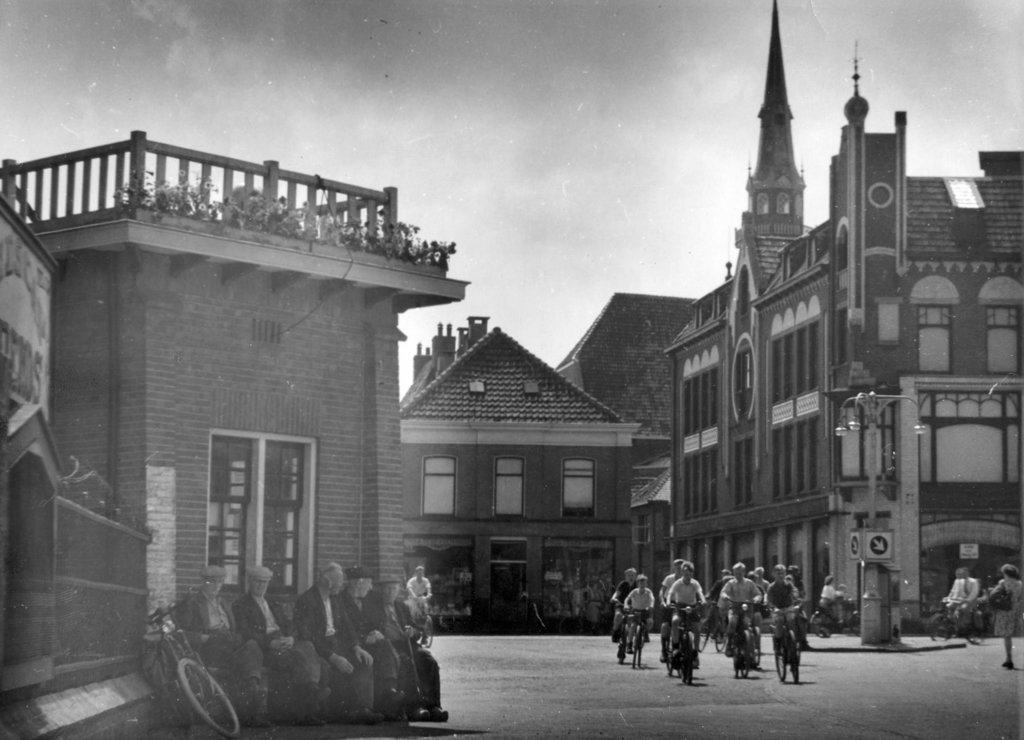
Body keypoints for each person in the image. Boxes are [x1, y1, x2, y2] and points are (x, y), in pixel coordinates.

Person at [232, 564, 326, 725]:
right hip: (263, 648)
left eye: (265, 582)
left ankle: (310, 698)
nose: (261, 585)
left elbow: (289, 625)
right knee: (297, 660)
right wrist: (270, 642)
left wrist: (291, 638)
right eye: (257, 581)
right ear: (250, 582)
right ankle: (309, 701)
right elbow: (245, 632)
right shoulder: (241, 604)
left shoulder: (273, 604)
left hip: (282, 642)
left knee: (306, 647)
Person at [175, 565, 266, 726]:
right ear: (203, 582)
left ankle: (252, 701)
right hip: (210, 646)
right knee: (249, 654)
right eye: (212, 582)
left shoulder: (223, 602)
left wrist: (236, 638)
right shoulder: (193, 602)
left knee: (252, 647)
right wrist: (202, 637)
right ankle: (252, 710)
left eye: (220, 582)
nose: (217, 586)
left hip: (228, 643)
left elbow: (234, 628)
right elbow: (181, 632)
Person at [293, 563, 382, 725]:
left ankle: (363, 709)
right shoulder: (307, 600)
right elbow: (310, 636)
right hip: (318, 648)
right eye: (339, 582)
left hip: (337, 643)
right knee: (330, 667)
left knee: (363, 661)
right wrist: (334, 657)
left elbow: (347, 625)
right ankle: (338, 712)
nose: (342, 585)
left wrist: (356, 647)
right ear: (327, 581)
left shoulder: (335, 598)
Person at [369, 579, 449, 721]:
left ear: (398, 591)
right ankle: (414, 707)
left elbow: (418, 631)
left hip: (407, 644)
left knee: (429, 661)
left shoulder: (402, 607)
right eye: (387, 589)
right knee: (407, 662)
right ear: (381, 591)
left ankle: (433, 705)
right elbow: (371, 628)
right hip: (389, 646)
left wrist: (412, 632)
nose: (390, 592)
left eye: (393, 589)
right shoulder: (374, 608)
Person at [339, 566, 404, 720]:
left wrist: (375, 631)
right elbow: (341, 629)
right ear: (359, 583)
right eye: (369, 583)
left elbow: (379, 619)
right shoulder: (340, 600)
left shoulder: (372, 598)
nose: (371, 587)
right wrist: (362, 640)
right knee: (366, 660)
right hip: (349, 646)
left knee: (384, 645)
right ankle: (364, 709)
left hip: (370, 643)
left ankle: (389, 692)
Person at [664, 561, 705, 669]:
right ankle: (676, 647)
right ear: (682, 573)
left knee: (697, 629)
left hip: (692, 607)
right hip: (680, 607)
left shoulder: (695, 583)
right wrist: (668, 602)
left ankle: (695, 652)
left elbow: (700, 592)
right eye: (686, 574)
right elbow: (670, 593)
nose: (688, 576)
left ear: (692, 574)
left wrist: (703, 600)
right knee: (675, 621)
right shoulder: (678, 583)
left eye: (690, 574)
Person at [718, 562, 763, 660]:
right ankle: (729, 643)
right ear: (733, 573)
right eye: (736, 573)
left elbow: (758, 593)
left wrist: (757, 598)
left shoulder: (749, 583)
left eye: (740, 573)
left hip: (747, 609)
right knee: (733, 622)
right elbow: (724, 592)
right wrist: (725, 596)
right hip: (734, 608)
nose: (738, 575)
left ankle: (749, 649)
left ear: (744, 572)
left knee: (747, 625)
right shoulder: (731, 583)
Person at [989, 563, 1023, 670]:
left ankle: (1009, 659)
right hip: (1015, 611)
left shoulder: (1003, 582)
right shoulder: (1020, 584)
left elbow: (994, 595)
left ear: (1006, 573)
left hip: (1005, 611)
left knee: (1007, 636)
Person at [766, 564, 800, 647]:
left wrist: (796, 598)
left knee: (792, 619)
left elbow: (794, 591)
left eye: (782, 573)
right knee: (779, 621)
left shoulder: (788, 585)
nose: (780, 575)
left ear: (785, 574)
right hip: (777, 609)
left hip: (788, 607)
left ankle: (795, 640)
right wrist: (774, 608)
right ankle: (778, 642)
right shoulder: (771, 587)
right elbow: (769, 600)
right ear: (774, 574)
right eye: (778, 573)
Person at [659, 559, 687, 660]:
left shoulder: (687, 579)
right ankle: (663, 650)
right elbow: (662, 591)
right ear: (674, 568)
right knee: (665, 625)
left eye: (681, 567)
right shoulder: (669, 579)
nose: (679, 569)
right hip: (669, 602)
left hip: (683, 603)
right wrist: (662, 601)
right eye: (677, 567)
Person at [623, 574, 655, 651]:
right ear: (638, 584)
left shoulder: (648, 592)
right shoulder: (634, 592)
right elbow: (627, 599)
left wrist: (651, 605)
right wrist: (626, 605)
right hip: (635, 611)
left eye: (644, 583)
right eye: (641, 583)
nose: (642, 585)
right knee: (633, 626)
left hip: (645, 611)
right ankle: (629, 644)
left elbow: (652, 598)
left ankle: (646, 632)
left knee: (650, 622)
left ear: (646, 584)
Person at [945, 566, 981, 632]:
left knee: (963, 608)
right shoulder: (959, 581)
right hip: (961, 600)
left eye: (964, 573)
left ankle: (966, 624)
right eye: (962, 573)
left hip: (971, 600)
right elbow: (954, 591)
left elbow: (974, 593)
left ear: (967, 573)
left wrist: (967, 600)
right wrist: (949, 597)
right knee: (949, 606)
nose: (963, 574)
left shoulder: (973, 581)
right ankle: (955, 624)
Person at [786, 565, 811, 650]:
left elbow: (802, 595)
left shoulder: (800, 583)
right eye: (790, 572)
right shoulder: (784, 582)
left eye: (794, 572)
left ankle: (803, 641)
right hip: (785, 607)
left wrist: (799, 604)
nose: (792, 574)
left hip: (796, 606)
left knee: (803, 620)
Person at [610, 568, 638, 642]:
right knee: (618, 615)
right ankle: (615, 632)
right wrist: (614, 598)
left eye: (632, 575)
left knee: (633, 620)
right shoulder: (623, 584)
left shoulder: (637, 585)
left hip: (633, 606)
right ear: (625, 576)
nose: (630, 577)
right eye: (629, 575)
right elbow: (617, 593)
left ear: (635, 576)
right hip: (621, 604)